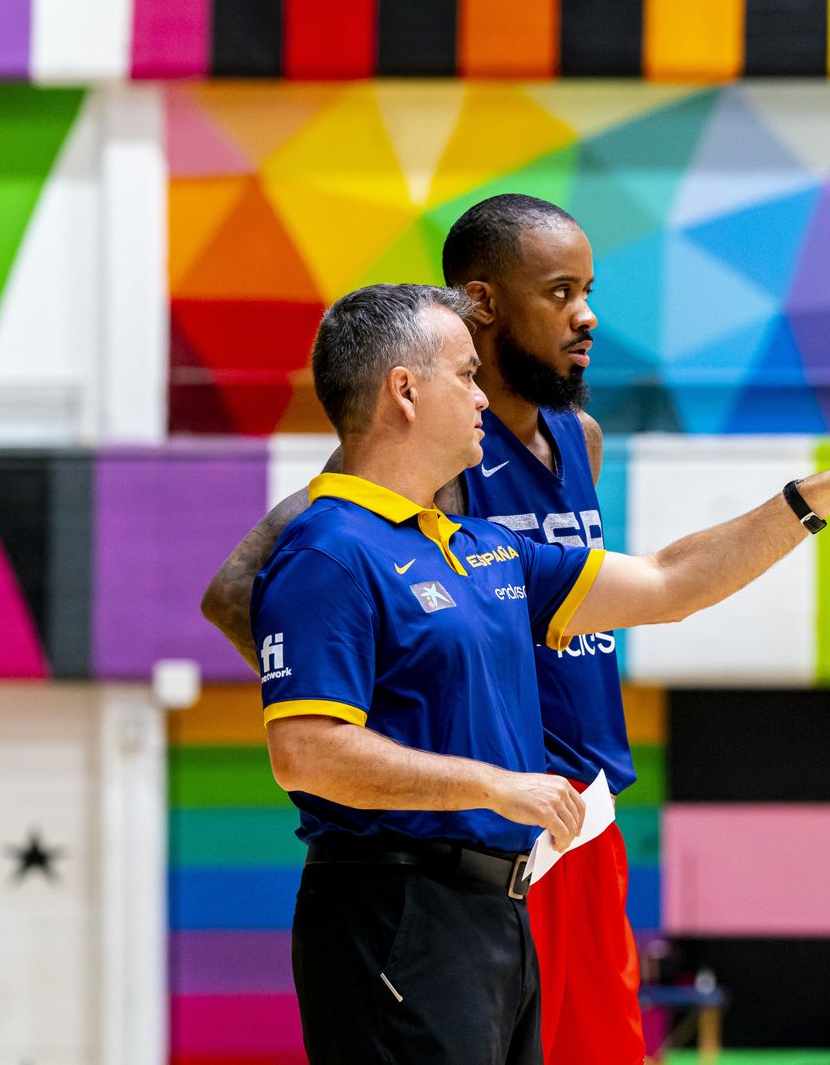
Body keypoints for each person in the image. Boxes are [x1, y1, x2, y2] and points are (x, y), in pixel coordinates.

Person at [248, 281, 830, 1064]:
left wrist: (808, 500)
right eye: (466, 375)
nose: (483, 397)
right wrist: (493, 785)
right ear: (404, 391)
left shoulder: (483, 549)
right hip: (395, 909)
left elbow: (669, 582)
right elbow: (306, 751)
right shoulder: (328, 553)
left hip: (497, 911)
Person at [203, 194, 652, 1062]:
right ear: (482, 304)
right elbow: (236, 591)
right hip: (497, 823)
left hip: (586, 818)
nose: (585, 315)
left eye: (585, 290)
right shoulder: (426, 455)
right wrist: (392, 719)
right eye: (559, 293)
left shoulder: (580, 437)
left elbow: (640, 591)